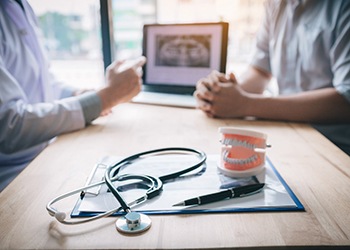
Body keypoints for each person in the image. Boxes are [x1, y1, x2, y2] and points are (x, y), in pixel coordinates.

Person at [0, 0, 146, 191]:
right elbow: (8, 126)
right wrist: (103, 99)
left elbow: (42, 83)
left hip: (44, 157)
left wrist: (82, 95)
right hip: (12, 180)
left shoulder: (21, 5)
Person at [194, 0, 350, 155]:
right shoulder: (274, 5)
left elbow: (346, 98)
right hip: (289, 133)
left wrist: (245, 104)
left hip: (335, 146)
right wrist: (221, 95)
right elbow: (260, 71)